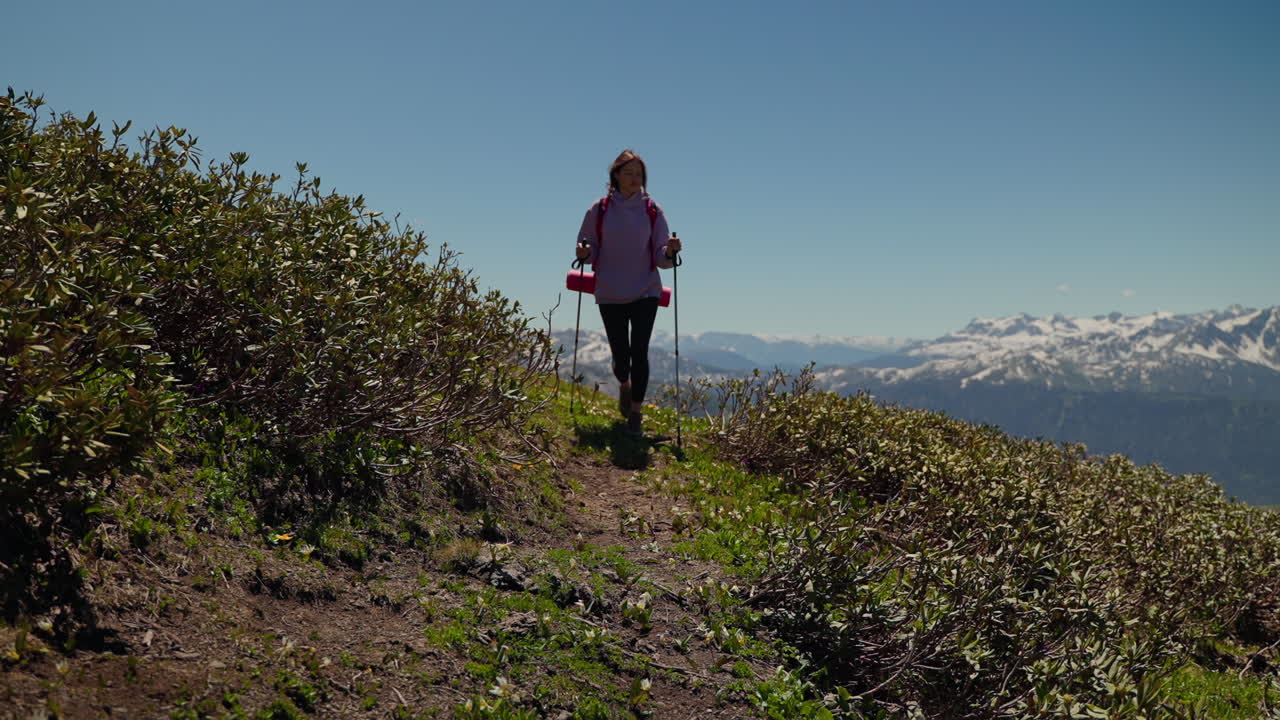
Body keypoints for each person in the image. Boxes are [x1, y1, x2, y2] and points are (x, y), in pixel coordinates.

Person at [575, 149, 683, 435]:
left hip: (646, 290)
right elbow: (588, 248)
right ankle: (625, 383)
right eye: (628, 173)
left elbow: (661, 257)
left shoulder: (653, 211)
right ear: (616, 175)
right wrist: (584, 253)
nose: (635, 179)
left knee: (640, 351)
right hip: (609, 290)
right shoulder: (598, 210)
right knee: (621, 357)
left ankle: (636, 413)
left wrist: (670, 251)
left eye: (639, 174)